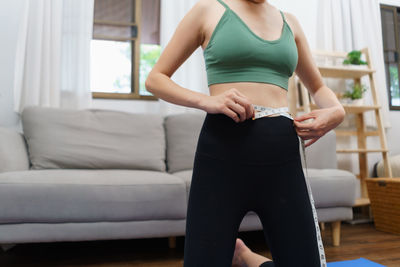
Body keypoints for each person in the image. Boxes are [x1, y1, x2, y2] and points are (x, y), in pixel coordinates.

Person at [145, 0, 345, 266]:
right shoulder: (208, 9)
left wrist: (336, 111)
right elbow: (156, 79)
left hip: (283, 158)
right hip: (222, 154)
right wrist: (207, 101)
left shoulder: (290, 22)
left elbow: (318, 87)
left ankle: (249, 259)